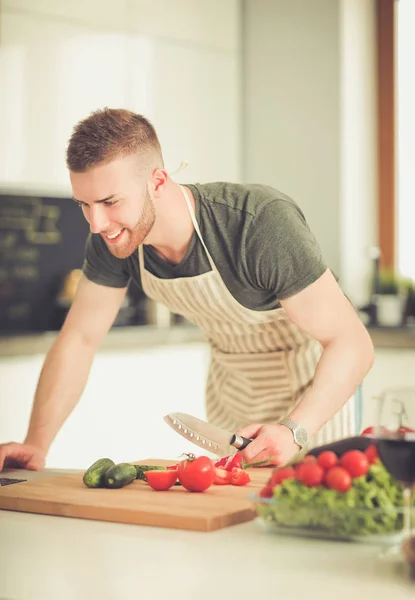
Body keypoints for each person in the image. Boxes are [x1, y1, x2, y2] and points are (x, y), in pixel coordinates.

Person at [0, 108, 374, 472]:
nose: (97, 223)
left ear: (158, 182)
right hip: (233, 396)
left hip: (315, 400)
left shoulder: (257, 224)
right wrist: (36, 443)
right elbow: (79, 339)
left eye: (110, 202)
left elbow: (351, 342)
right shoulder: (115, 239)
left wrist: (295, 429)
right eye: (84, 204)